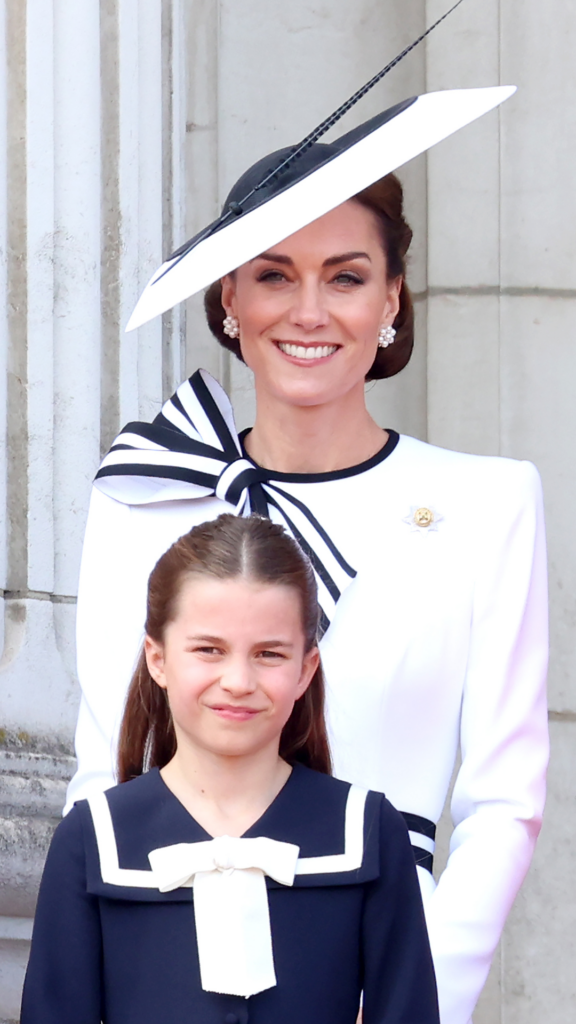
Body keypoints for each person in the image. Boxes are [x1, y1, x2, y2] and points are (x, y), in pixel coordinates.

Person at [64, 81, 548, 1024]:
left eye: (347, 275)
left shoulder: (489, 504)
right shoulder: (141, 500)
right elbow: (106, 775)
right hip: (167, 963)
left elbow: (503, 805)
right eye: (275, 274)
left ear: (393, 300)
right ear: (229, 302)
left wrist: (416, 999)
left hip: (381, 968)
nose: (310, 310)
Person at [22, 514, 439, 1024]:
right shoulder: (93, 839)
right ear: (158, 658)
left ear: (306, 668)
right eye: (208, 650)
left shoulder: (367, 831)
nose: (238, 680)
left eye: (269, 654)